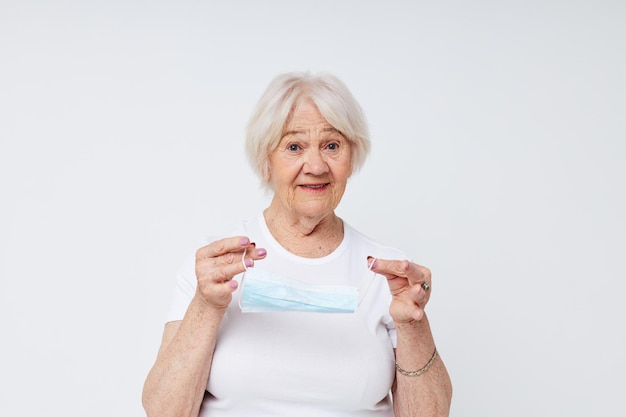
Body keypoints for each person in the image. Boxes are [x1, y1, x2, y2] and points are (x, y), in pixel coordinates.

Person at [142, 71, 452, 417]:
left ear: (353, 156)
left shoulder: (390, 273)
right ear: (265, 162)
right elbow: (163, 412)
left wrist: (413, 325)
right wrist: (206, 306)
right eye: (294, 147)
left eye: (332, 146)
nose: (317, 166)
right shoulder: (216, 264)